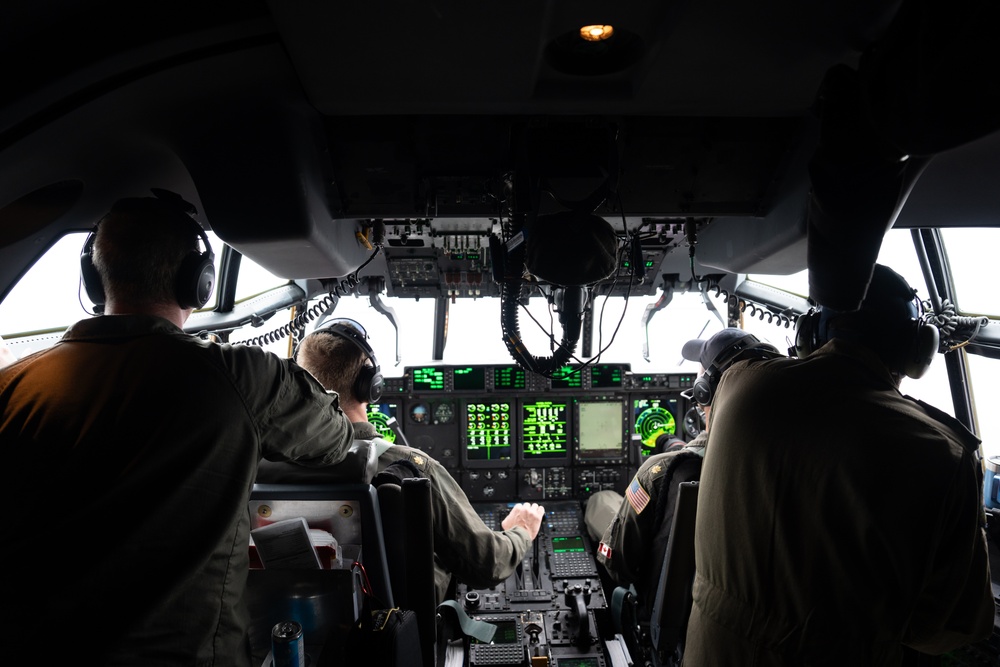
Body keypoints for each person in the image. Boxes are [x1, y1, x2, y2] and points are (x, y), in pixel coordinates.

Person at [0, 194, 355, 666]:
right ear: (199, 283)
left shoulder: (13, 386)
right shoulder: (242, 379)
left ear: (95, 277)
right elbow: (335, 441)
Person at [683, 264, 995, 664]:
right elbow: (949, 629)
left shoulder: (738, 385)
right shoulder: (942, 452)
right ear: (917, 350)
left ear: (810, 334)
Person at [257, 319, 547, 603]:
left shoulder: (258, 467)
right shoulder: (409, 467)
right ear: (370, 385)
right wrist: (520, 531)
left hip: (294, 620)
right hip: (401, 630)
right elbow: (487, 565)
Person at [587, 328, 781, 619]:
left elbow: (619, 565)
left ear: (704, 392)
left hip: (665, 627)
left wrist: (680, 453)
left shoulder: (663, 470)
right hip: (757, 618)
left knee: (602, 500)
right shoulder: (793, 466)